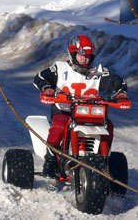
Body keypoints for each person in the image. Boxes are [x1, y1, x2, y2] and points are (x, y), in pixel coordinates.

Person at [33, 34, 128, 178]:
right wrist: (47, 88)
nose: (85, 58)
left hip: (92, 114)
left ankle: (104, 161)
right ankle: (50, 160)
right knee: (59, 127)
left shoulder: (98, 73)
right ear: (73, 54)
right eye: (81, 55)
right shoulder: (60, 68)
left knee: (108, 126)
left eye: (88, 56)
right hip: (64, 111)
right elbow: (40, 77)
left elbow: (117, 81)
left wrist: (120, 93)